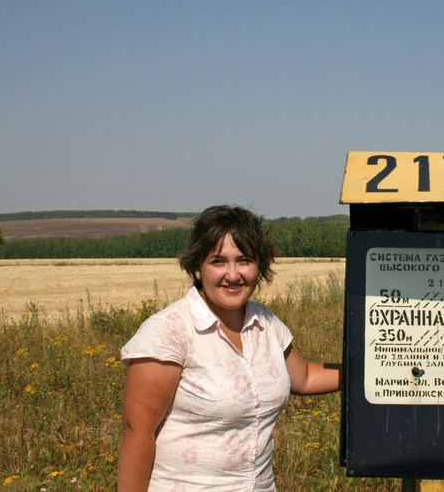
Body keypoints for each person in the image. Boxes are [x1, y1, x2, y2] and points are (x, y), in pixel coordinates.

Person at [117, 205, 341, 492]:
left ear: (259, 265)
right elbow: (137, 433)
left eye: (244, 260)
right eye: (218, 261)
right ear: (198, 265)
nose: (233, 275)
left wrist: (369, 372)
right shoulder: (169, 332)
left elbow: (305, 377)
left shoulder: (266, 322)